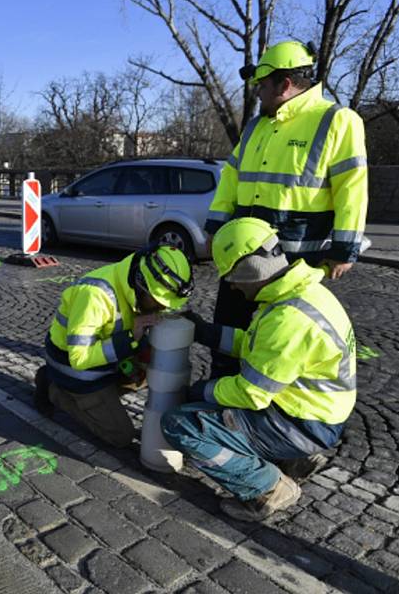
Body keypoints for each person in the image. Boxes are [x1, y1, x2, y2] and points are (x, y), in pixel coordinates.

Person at [163, 218, 356, 521]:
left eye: (231, 277)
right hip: (310, 410)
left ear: (250, 270)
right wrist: (205, 332)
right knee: (209, 405)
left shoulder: (288, 319)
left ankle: (268, 488)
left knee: (182, 424)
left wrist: (199, 391)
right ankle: (291, 460)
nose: (232, 286)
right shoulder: (297, 294)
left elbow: (251, 394)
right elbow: (257, 348)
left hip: (301, 422)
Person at [205, 40, 367, 378]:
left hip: (292, 261)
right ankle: (220, 393)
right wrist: (215, 226)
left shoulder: (337, 120)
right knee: (230, 327)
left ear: (286, 83)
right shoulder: (256, 126)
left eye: (262, 86)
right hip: (242, 254)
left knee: (279, 336)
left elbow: (352, 187)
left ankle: (265, 401)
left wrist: (345, 248)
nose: (258, 94)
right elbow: (231, 177)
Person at [34, 244, 193, 448]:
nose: (162, 308)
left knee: (156, 371)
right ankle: (53, 390)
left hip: (106, 365)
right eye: (158, 302)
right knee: (121, 436)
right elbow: (79, 358)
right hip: (76, 373)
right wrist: (129, 338)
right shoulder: (94, 296)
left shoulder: (132, 286)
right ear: (140, 284)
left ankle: (102, 397)